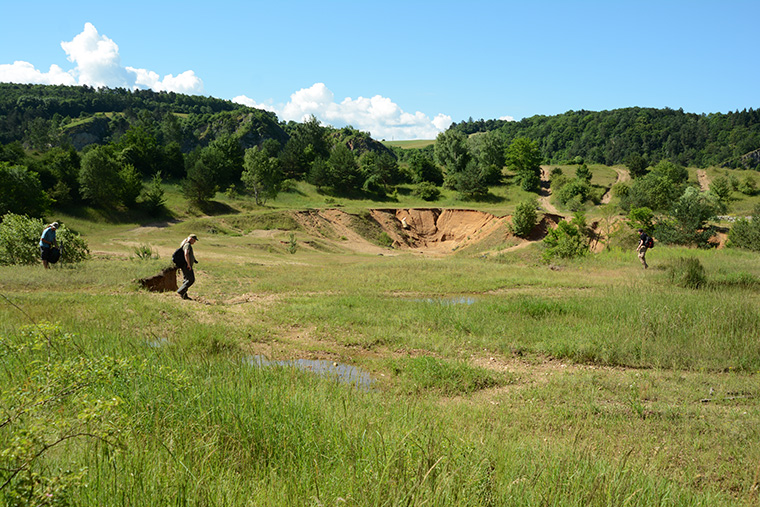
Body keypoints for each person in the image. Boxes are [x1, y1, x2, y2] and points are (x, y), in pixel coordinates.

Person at [177, 234, 199, 300]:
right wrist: (188, 264)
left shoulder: (185, 244)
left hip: (185, 265)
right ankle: (180, 291)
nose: (194, 242)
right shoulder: (187, 245)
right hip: (186, 265)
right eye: (194, 240)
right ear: (191, 239)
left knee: (186, 280)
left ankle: (184, 295)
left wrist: (194, 260)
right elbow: (186, 253)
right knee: (191, 280)